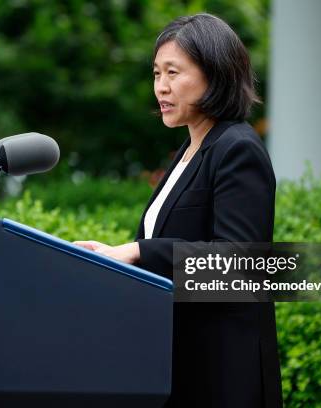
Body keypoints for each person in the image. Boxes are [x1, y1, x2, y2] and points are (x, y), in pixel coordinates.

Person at [74, 13, 282, 407]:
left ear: (215, 74)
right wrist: (114, 260)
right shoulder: (189, 151)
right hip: (175, 365)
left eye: (174, 72)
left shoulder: (237, 149)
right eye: (156, 73)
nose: (161, 87)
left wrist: (137, 251)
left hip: (221, 375)